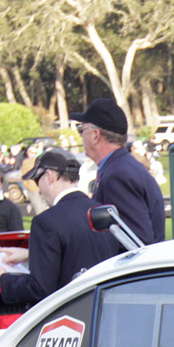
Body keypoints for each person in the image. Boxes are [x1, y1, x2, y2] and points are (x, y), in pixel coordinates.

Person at [0, 148, 121, 305]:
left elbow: (40, 289)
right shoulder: (102, 211)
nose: (39, 190)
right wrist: (30, 254)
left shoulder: (46, 221)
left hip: (71, 315)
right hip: (105, 309)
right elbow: (81, 253)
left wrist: (3, 278)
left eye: (37, 181)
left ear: (49, 176)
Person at [71, 97, 165, 243]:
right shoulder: (122, 167)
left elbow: (135, 242)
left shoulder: (118, 175)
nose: (81, 136)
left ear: (96, 135)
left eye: (81, 129)